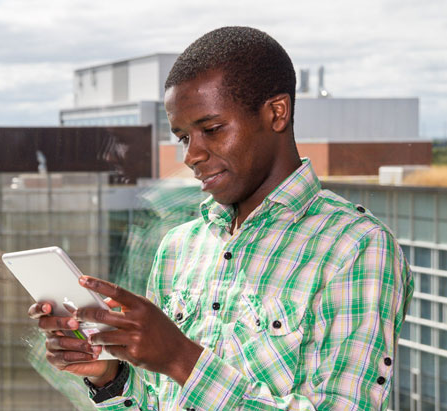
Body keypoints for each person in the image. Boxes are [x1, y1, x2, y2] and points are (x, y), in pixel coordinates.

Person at [29, 26, 413, 410]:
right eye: (183, 138)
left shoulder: (355, 247)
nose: (191, 155)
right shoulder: (179, 247)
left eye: (211, 130)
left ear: (277, 113)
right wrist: (108, 377)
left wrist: (181, 359)